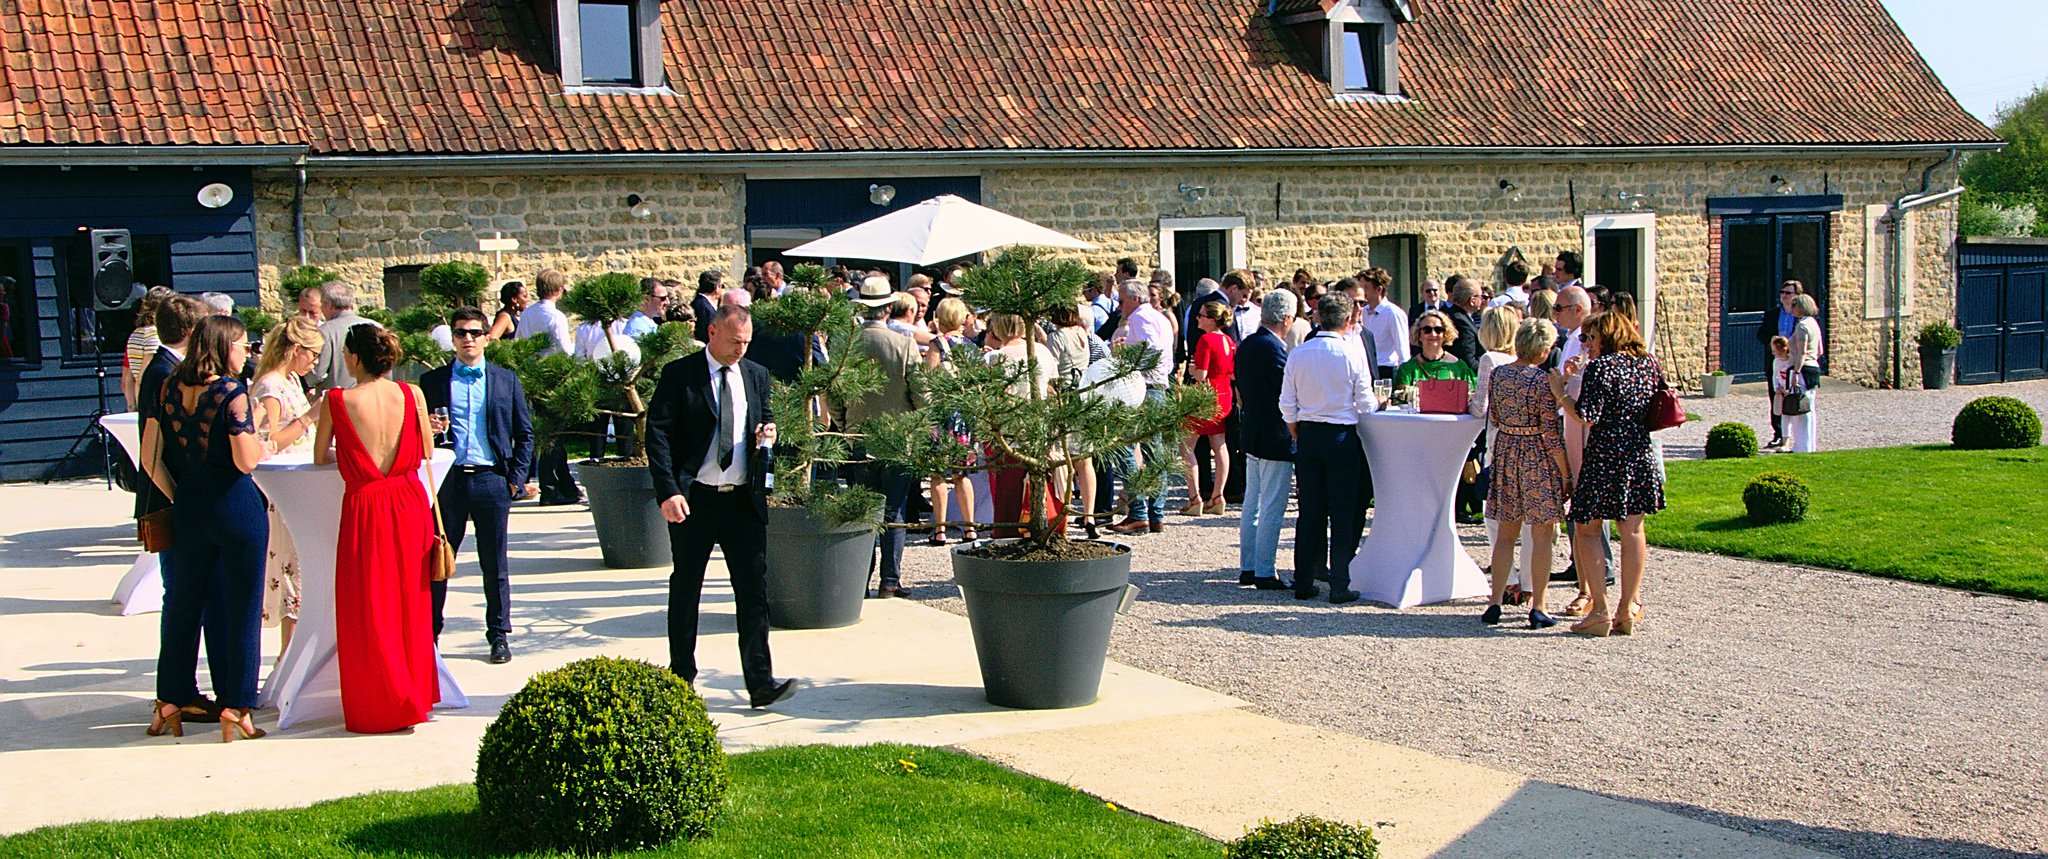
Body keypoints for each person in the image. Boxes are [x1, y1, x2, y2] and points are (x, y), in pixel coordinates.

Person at [644, 305, 797, 709]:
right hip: (694, 499)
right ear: (712, 332)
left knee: (753, 592)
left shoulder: (756, 374)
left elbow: (764, 420)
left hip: (743, 501)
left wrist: (769, 433)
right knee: (686, 588)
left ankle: (760, 682)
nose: (739, 350)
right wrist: (667, 491)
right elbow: (657, 435)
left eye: (746, 343)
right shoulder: (681, 374)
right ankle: (680, 680)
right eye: (733, 342)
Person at [140, 314, 270, 742]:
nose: (246, 351)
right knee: (243, 606)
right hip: (234, 504)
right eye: (241, 344)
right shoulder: (231, 391)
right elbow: (246, 461)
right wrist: (266, 439)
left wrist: (178, 495)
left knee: (183, 603)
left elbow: (149, 457)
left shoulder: (168, 386)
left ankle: (170, 698)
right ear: (222, 347)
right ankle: (236, 705)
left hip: (190, 506)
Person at [312, 324, 440, 731]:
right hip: (408, 501)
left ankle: (379, 702)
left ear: (353, 357)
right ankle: (413, 695)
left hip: (367, 504)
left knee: (370, 605)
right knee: (409, 602)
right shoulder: (411, 394)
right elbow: (428, 449)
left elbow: (319, 457)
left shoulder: (338, 400)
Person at [421, 308, 535, 664]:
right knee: (437, 560)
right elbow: (415, 433)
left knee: (494, 563)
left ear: (487, 337)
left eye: (473, 332)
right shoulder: (433, 382)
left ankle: (499, 634)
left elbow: (525, 433)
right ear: (452, 339)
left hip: (491, 479)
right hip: (449, 481)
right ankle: (429, 636)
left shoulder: (505, 380)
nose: (467, 338)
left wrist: (514, 481)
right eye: (460, 333)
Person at [1550, 311, 1665, 637]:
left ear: (1607, 336)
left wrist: (1560, 391)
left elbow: (1586, 415)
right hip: (1638, 453)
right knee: (1632, 529)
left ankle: (1599, 609)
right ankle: (1628, 606)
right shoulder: (1648, 364)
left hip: (1604, 455)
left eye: (1592, 337)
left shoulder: (1601, 368)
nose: (1587, 343)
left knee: (1587, 529)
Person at [832, 277, 926, 597]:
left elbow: (833, 393)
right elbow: (922, 395)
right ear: (888, 308)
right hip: (896, 436)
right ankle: (889, 580)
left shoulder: (844, 344)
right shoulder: (904, 345)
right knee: (894, 508)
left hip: (858, 434)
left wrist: (845, 424)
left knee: (863, 509)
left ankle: (861, 577)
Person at [1277, 292, 1372, 604]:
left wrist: (1296, 430)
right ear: (1347, 321)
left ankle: (1304, 579)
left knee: (1310, 512)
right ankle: (1339, 582)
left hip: (1309, 434)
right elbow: (1365, 403)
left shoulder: (1299, 354)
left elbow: (1286, 404)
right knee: (1343, 513)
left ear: (1317, 318)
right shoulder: (1351, 353)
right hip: (1342, 435)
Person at [1481, 319, 1568, 629]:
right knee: (1541, 534)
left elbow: (1492, 415)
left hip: (1506, 450)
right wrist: (1566, 473)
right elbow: (1550, 432)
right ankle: (1540, 605)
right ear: (1543, 350)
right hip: (1536, 456)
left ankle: (1495, 601)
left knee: (1506, 534)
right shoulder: (1542, 382)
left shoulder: (1498, 375)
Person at [250, 316, 323, 655]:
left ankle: (296, 652)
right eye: (313, 354)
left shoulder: (292, 379)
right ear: (296, 349)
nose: (315, 362)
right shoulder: (270, 386)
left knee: (304, 567)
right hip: (285, 489)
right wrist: (310, 417)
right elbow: (269, 439)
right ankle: (288, 655)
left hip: (303, 481)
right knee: (294, 570)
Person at [1550, 285, 1615, 601]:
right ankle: (1582, 564)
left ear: (1577, 308)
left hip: (1585, 427)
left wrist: (1560, 386)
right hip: (1574, 425)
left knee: (1589, 500)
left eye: (1559, 308)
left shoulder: (1586, 339)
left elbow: (1583, 393)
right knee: (1580, 497)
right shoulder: (1574, 338)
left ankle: (1600, 567)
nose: (1555, 314)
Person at [1235, 289, 1296, 590]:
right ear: (1286, 318)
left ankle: (1249, 566)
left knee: (1253, 505)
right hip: (1273, 434)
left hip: (1253, 430)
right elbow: (1286, 392)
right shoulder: (1273, 348)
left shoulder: (1248, 343)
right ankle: (1264, 570)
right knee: (1271, 506)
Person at [982, 312, 1061, 538]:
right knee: (1042, 490)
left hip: (1010, 433)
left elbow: (991, 398)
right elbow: (1053, 391)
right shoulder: (1043, 351)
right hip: (1041, 429)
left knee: (1009, 494)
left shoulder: (997, 358)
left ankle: (1007, 539)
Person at [1109, 279, 1176, 535]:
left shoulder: (1139, 317)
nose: (1119, 306)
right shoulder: (1161, 318)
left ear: (1135, 299)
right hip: (1158, 387)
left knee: (1125, 448)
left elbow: (1152, 352)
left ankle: (1138, 512)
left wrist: (1126, 359)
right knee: (1154, 452)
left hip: (1144, 388)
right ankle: (1156, 513)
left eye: (1122, 300)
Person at [1473, 305, 1534, 574]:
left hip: (1499, 442)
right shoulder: (1527, 360)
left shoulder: (1490, 359)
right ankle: (1529, 579)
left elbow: (1480, 406)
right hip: (1527, 442)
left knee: (1496, 515)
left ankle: (1507, 575)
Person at [923, 298, 979, 544]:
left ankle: (940, 529)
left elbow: (929, 378)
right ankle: (969, 528)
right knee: (962, 474)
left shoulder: (938, 344)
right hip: (964, 414)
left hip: (942, 412)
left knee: (937, 474)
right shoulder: (971, 347)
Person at [520, 269, 580, 504]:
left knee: (550, 433)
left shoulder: (527, 314)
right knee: (554, 436)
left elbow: (521, 343)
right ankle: (550, 488)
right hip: (553, 375)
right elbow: (565, 349)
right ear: (558, 290)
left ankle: (565, 485)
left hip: (535, 375)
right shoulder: (556, 316)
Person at [1179, 302, 1235, 516]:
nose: (1197, 319)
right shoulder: (1228, 341)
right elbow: (1231, 373)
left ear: (1211, 319)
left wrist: (1192, 369)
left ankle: (1194, 497)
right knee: (1219, 446)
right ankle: (1218, 496)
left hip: (1205, 395)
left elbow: (1201, 374)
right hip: (1223, 394)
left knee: (1186, 446)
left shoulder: (1205, 340)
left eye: (1201, 316)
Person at [309, 281, 381, 392]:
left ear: (327, 304)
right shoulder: (376, 326)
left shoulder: (325, 331)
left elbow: (317, 374)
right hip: (375, 397)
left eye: (322, 305)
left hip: (338, 402)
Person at [1393, 310, 1479, 390]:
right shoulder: (1407, 370)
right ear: (1418, 335)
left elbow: (1472, 396)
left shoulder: (1460, 367)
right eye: (1427, 330)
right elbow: (1401, 401)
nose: (1433, 334)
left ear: (1445, 334)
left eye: (1438, 330)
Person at [122, 286, 176, 410]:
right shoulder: (154, 334)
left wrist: (131, 406)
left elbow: (129, 377)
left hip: (140, 401)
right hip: (152, 402)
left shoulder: (136, 333)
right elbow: (145, 375)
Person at [1784, 294, 1823, 453]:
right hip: (1813, 367)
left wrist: (1796, 373)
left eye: (1794, 305)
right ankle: (1809, 445)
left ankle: (1802, 446)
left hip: (1803, 369)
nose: (1791, 308)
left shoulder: (1802, 326)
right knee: (1809, 408)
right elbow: (1819, 350)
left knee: (1801, 410)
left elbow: (1801, 352)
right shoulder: (1814, 324)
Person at [1356, 269, 1409, 381]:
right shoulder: (1363, 311)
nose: (1362, 292)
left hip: (1387, 368)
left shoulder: (1393, 313)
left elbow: (1403, 349)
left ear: (1379, 289)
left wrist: (1404, 377)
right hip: (1368, 367)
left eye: (1366, 287)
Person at [1443, 278, 1485, 368]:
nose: (1482, 300)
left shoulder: (1453, 314)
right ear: (1472, 301)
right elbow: (1468, 361)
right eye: (1481, 296)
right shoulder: (1461, 322)